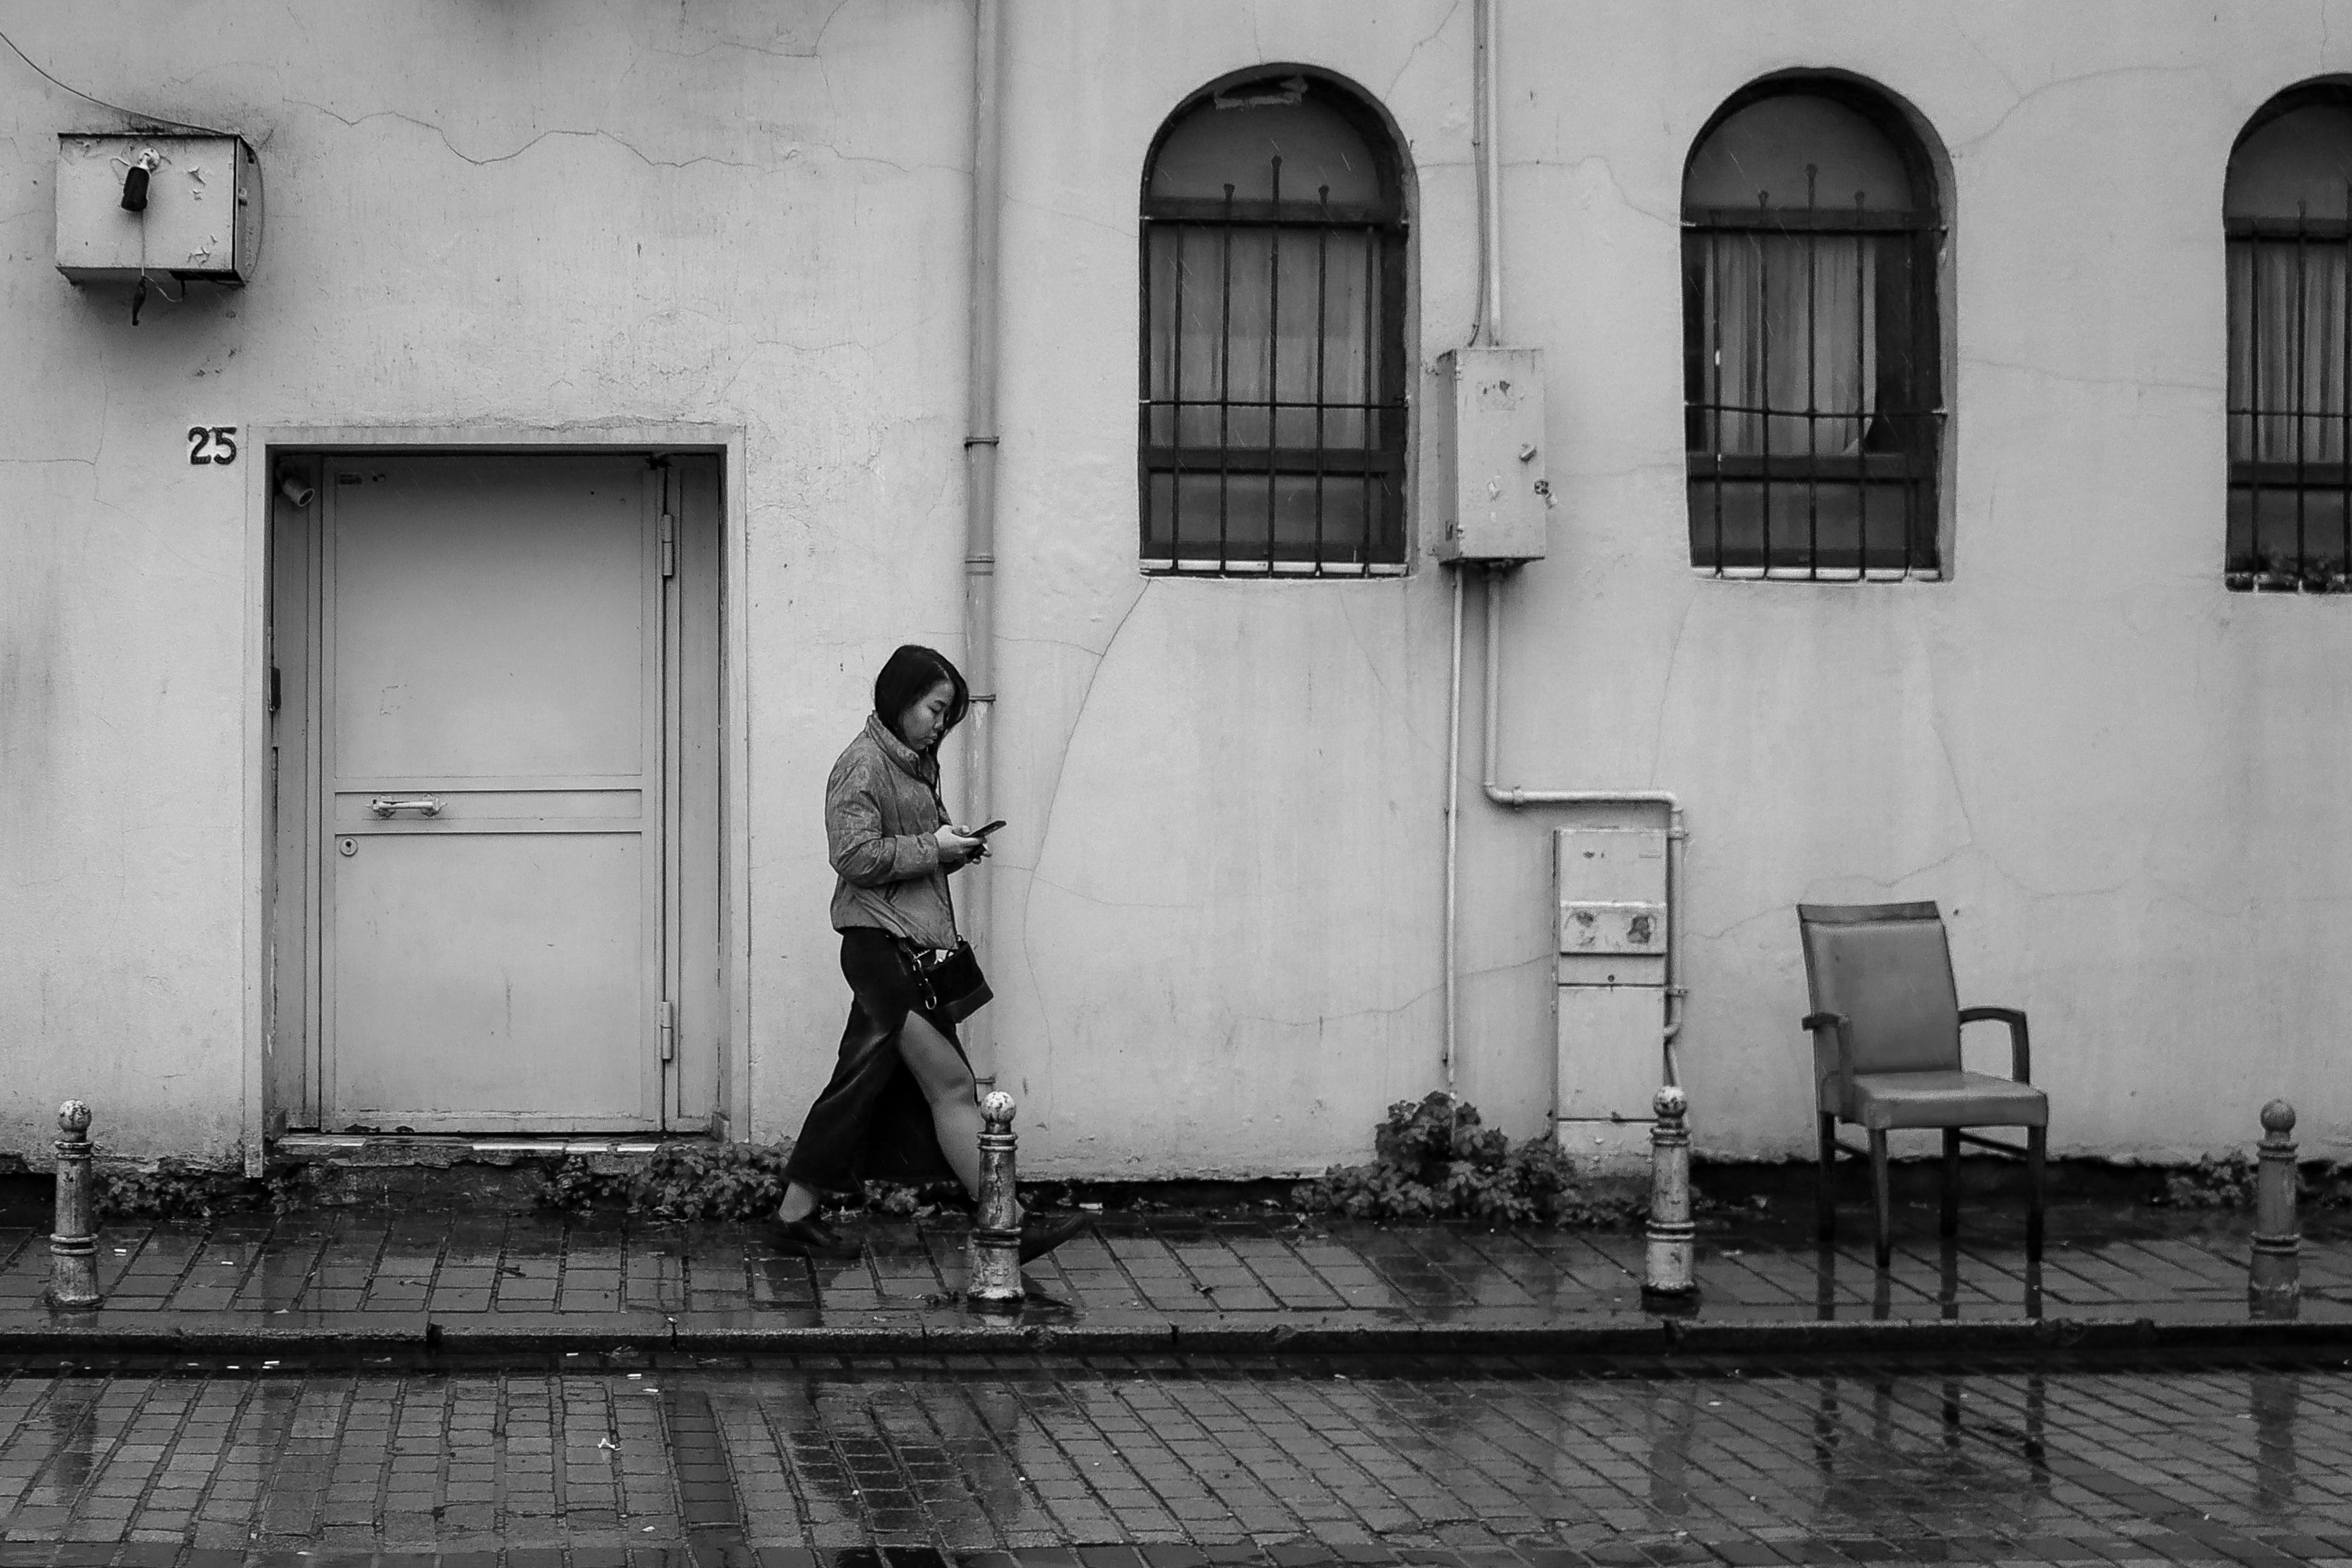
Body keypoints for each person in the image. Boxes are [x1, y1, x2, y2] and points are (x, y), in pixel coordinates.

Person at [772, 644, 1087, 1264]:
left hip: (904, 945)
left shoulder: (913, 763)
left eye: (948, 715)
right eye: (936, 709)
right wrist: (934, 849)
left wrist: (956, 846)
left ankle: (795, 1211)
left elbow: (912, 843)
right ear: (901, 698)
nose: (940, 724)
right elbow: (854, 856)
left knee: (859, 1083)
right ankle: (1007, 1224)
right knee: (951, 1085)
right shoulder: (861, 765)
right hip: (881, 950)